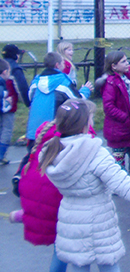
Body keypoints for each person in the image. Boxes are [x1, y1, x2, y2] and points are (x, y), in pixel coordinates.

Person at [41, 98, 130, 272]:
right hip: (98, 221)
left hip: (70, 219)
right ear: (83, 124)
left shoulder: (53, 151)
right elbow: (123, 185)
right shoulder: (95, 153)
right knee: (109, 265)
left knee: (79, 265)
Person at [10, 115, 98, 272]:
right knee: (70, 248)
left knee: (60, 240)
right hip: (58, 205)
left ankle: (26, 215)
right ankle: (26, 216)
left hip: (35, 197)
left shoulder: (46, 137)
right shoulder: (80, 144)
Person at [11, 52, 92, 197]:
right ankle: (53, 186)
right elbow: (76, 100)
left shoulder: (36, 81)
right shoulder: (63, 81)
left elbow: (30, 98)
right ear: (57, 65)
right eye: (62, 63)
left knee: (33, 154)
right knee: (55, 156)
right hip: (54, 128)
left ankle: (20, 175)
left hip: (34, 128)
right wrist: (86, 90)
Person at [96, 51, 130, 173]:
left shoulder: (125, 78)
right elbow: (108, 106)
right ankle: (119, 179)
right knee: (119, 155)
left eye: (127, 60)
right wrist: (124, 117)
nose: (128, 64)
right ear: (114, 66)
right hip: (119, 126)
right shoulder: (111, 83)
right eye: (124, 61)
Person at [0, 58, 18, 165]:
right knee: (6, 130)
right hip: (7, 109)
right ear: (5, 72)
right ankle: (1, 154)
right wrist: (7, 101)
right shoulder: (6, 82)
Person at [2, 44, 30, 108]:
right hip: (7, 105)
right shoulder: (15, 69)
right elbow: (22, 88)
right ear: (15, 56)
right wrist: (28, 103)